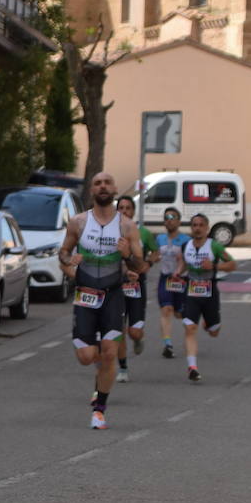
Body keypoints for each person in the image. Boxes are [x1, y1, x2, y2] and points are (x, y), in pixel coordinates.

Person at [58, 172, 147, 430]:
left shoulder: (128, 226)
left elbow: (140, 266)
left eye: (108, 182)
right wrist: (69, 262)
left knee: (109, 354)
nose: (103, 186)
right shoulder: (78, 222)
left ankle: (99, 410)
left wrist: (127, 254)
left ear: (115, 188)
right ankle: (96, 355)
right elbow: (63, 252)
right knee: (87, 357)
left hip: (113, 294)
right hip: (85, 294)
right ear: (91, 190)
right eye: (98, 183)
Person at [174, 213, 236, 382]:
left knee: (214, 331)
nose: (198, 228)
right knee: (189, 328)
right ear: (191, 228)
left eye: (201, 225)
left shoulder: (214, 246)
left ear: (207, 229)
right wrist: (178, 272)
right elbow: (184, 263)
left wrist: (214, 265)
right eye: (194, 225)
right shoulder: (186, 245)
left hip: (210, 292)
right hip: (191, 291)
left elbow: (232, 264)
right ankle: (192, 367)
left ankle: (208, 323)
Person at [113, 195, 155, 382]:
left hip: (137, 286)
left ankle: (138, 339)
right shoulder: (109, 232)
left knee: (134, 331)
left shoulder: (143, 233)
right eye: (120, 208)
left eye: (128, 208)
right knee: (119, 329)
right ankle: (123, 367)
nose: (124, 211)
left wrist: (148, 263)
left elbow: (156, 251)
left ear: (133, 211)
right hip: (117, 286)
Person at [152, 207, 190, 359]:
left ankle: (189, 337)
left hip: (181, 279)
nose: (169, 220)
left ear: (179, 221)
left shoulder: (186, 240)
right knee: (166, 309)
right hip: (166, 278)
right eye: (166, 217)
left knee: (179, 313)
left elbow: (186, 260)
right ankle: (167, 344)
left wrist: (179, 272)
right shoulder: (160, 239)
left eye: (172, 217)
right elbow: (154, 255)